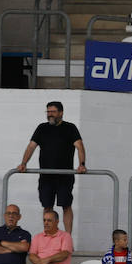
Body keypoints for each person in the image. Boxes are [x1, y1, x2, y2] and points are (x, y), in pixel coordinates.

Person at [18, 101, 86, 236]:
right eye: (48, 112)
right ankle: (48, 236)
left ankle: (67, 238)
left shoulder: (70, 128)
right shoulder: (42, 128)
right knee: (47, 207)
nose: (50, 115)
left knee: (66, 206)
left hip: (64, 176)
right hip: (46, 176)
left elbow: (79, 146)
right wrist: (23, 163)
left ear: (61, 113)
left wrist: (82, 164)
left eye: (53, 112)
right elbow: (31, 146)